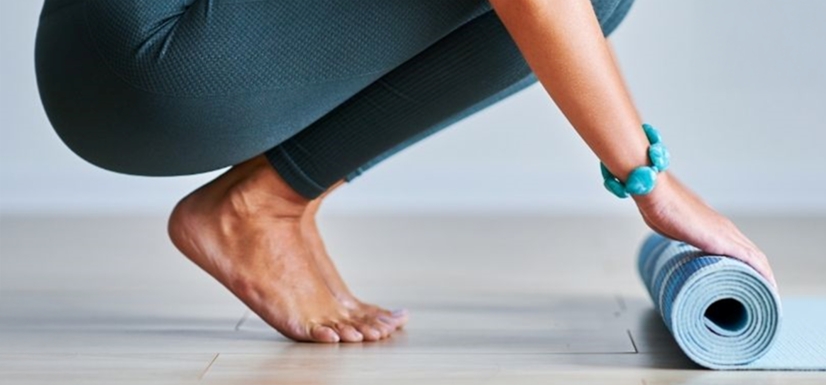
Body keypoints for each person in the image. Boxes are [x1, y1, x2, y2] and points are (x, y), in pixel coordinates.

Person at [34, 0, 775, 343]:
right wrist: (653, 184)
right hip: (142, 49)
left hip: (136, 52)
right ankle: (260, 207)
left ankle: (273, 198)